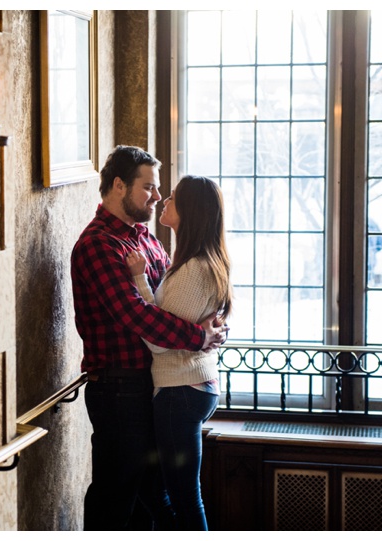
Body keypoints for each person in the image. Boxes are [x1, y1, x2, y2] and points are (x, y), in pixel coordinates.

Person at [71, 146, 227, 531]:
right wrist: (198, 336)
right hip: (118, 386)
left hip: (155, 383)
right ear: (119, 185)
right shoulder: (98, 245)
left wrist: (210, 325)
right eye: (149, 188)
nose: (158, 197)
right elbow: (138, 315)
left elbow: (171, 305)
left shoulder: (145, 238)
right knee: (117, 493)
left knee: (152, 498)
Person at [125, 175, 232, 530]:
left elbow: (159, 339)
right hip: (189, 387)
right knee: (160, 489)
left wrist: (139, 280)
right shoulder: (194, 262)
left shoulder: (193, 270)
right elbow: (172, 324)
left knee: (184, 497)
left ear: (190, 211)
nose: (163, 201)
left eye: (171, 197)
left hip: (181, 392)